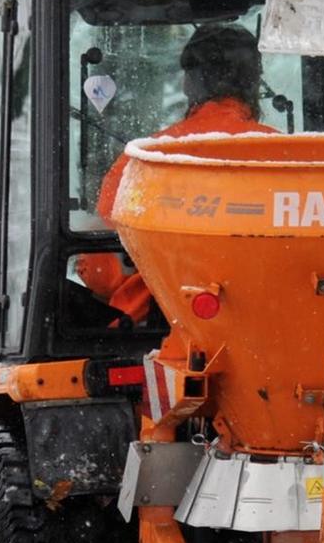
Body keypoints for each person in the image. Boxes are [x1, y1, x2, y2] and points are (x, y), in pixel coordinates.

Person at [81, 23, 277, 323]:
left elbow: (103, 271)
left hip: (159, 329)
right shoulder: (287, 157)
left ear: (189, 83)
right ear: (254, 82)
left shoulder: (146, 160)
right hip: (271, 320)